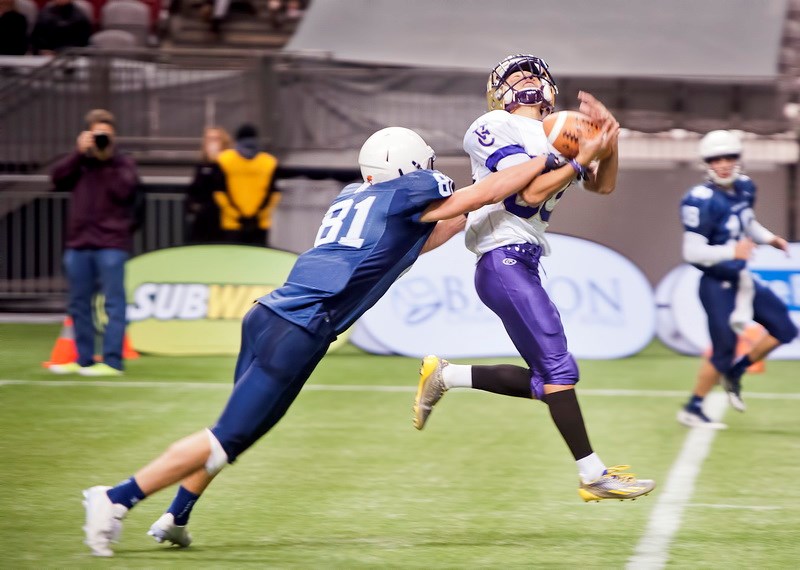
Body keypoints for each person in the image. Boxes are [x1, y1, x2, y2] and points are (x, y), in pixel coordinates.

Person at [80, 125, 594, 557]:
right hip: (302, 326)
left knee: (237, 430)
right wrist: (551, 161)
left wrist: (492, 202)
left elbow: (436, 231)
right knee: (228, 436)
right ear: (412, 166)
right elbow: (467, 200)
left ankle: (176, 516)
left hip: (270, 315)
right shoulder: (412, 190)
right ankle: (116, 497)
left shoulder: (356, 197)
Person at [412, 54, 655, 502]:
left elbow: (603, 185)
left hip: (519, 262)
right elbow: (526, 193)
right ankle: (593, 475)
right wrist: (583, 156)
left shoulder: (558, 129)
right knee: (559, 369)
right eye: (513, 75)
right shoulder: (492, 126)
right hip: (500, 257)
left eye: (531, 73)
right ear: (498, 93)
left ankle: (446, 376)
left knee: (548, 380)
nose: (524, 78)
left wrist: (609, 141)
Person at [675, 130, 797, 428]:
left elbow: (746, 222)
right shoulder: (700, 199)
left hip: (741, 278)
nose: (724, 164)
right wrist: (733, 250)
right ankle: (693, 408)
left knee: (784, 328)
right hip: (716, 284)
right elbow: (692, 252)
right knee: (723, 350)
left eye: (729, 157)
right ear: (707, 163)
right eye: (717, 159)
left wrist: (769, 239)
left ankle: (737, 371)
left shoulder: (744, 187)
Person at [48, 109, 141, 377]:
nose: (101, 140)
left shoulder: (123, 164)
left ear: (114, 136)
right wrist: (79, 153)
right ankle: (84, 360)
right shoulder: (80, 163)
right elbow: (57, 179)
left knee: (113, 303)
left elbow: (125, 191)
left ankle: (112, 361)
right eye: (97, 134)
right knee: (78, 303)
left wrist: (108, 158)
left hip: (111, 244)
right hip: (79, 243)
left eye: (106, 135)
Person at [214, 123, 281, 246]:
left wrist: (237, 216)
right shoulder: (269, 162)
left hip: (233, 223)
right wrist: (258, 216)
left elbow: (220, 193)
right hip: (259, 223)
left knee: (233, 261)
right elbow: (274, 194)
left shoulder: (224, 160)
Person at [185, 126, 231, 243]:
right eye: (209, 139)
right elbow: (193, 191)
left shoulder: (229, 166)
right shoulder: (201, 166)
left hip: (223, 222)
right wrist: (193, 207)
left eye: (216, 139)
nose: (212, 143)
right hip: (203, 221)